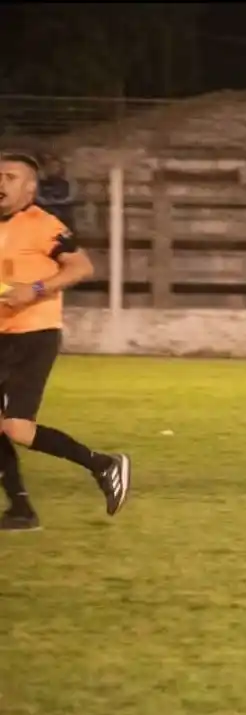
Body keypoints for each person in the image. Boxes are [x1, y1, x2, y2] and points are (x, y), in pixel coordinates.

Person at [0, 152, 131, 531]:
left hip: (33, 334)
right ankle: (21, 510)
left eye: (9, 177)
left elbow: (82, 266)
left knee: (17, 428)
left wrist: (36, 288)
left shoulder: (43, 225)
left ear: (29, 188)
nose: (0, 183)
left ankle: (103, 464)